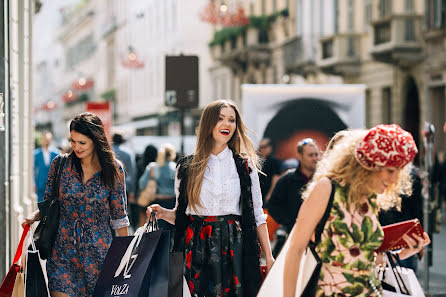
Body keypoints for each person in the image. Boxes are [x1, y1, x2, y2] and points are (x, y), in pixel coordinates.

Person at [283, 124, 431, 297]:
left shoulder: (370, 198)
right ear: (369, 165)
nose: (394, 180)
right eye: (390, 171)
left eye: (398, 172)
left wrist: (403, 253)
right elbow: (295, 250)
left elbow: (362, 259)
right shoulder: (327, 188)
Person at [147, 99, 274, 297]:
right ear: (208, 123)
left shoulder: (245, 167)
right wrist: (163, 213)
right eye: (220, 119)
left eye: (232, 120)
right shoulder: (187, 166)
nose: (227, 124)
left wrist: (269, 255)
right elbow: (183, 215)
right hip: (196, 247)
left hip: (234, 247)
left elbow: (257, 215)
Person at [23, 112, 130, 297]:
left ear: (96, 140)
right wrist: (33, 216)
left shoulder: (114, 169)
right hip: (62, 252)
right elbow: (50, 204)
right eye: (73, 141)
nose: (76, 147)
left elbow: (119, 218)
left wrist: (122, 260)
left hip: (99, 255)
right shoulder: (60, 165)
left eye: (82, 143)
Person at [266, 138, 319, 257]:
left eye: (316, 154)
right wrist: (290, 222)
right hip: (293, 237)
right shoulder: (287, 179)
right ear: (300, 156)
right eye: (311, 155)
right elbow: (273, 206)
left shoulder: (323, 179)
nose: (315, 158)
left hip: (320, 239)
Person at [138, 143, 176, 228]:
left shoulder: (152, 167)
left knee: (157, 232)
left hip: (157, 203)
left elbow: (142, 184)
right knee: (171, 233)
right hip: (172, 203)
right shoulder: (175, 168)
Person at [112, 132, 138, 232]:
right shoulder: (128, 153)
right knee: (123, 214)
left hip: (108, 185)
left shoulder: (109, 151)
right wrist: (132, 192)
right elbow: (132, 173)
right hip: (124, 186)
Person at [34, 131, 60, 203]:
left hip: (53, 184)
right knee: (40, 204)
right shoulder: (36, 153)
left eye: (48, 139)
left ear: (51, 140)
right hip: (40, 184)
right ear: (42, 140)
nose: (46, 141)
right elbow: (33, 170)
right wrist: (33, 183)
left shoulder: (57, 153)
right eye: (45, 139)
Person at [258, 138, 282, 204]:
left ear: (270, 147)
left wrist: (270, 193)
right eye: (260, 147)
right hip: (259, 193)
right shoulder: (259, 160)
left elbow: (276, 178)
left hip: (267, 193)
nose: (262, 150)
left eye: (264, 147)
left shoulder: (274, 161)